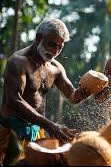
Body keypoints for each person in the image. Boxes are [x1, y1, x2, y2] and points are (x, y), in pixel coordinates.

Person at [0, 18, 92, 163]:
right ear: (38, 38)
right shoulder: (18, 61)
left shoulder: (55, 68)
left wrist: (84, 92)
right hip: (9, 131)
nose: (55, 51)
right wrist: (50, 125)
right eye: (51, 44)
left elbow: (73, 97)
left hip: (37, 131)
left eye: (59, 47)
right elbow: (14, 100)